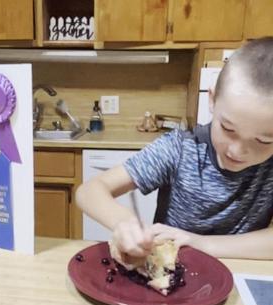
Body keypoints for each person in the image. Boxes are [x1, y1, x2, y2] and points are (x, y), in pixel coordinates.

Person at [76, 37, 273, 261]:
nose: (237, 151)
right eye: (228, 129)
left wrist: (200, 243)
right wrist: (124, 222)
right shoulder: (180, 149)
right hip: (173, 278)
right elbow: (89, 191)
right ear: (212, 100)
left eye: (263, 141)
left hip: (241, 277)